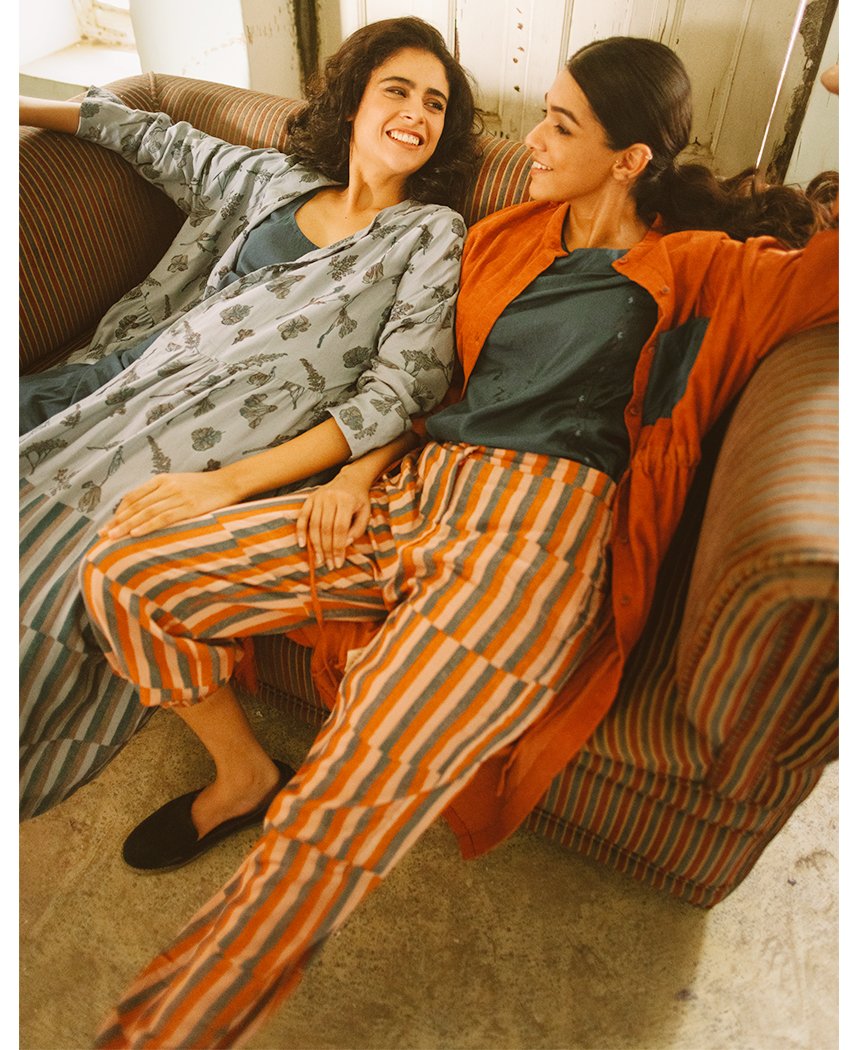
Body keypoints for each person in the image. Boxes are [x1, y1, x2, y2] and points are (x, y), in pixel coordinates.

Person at [81, 37, 837, 1048]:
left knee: (339, 809)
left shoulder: (702, 269)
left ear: (630, 159)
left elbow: (834, 275)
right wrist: (355, 475)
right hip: (415, 494)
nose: (532, 142)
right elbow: (431, 382)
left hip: (533, 542)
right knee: (126, 571)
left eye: (561, 124)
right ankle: (243, 776)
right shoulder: (504, 237)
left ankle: (158, 1032)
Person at [19, 16, 483, 819]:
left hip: (222, 437)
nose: (417, 112)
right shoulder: (273, 181)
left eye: (435, 104)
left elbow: (401, 390)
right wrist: (16, 103)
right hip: (120, 377)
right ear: (353, 105)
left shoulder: (428, 234)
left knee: (45, 592)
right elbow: (151, 135)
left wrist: (226, 486)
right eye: (398, 91)